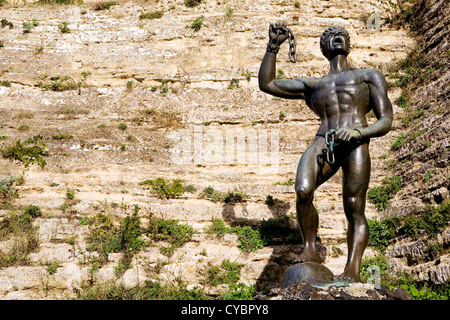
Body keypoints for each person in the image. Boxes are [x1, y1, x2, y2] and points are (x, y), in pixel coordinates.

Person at [258, 23, 393, 282]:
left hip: (356, 142)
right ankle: (310, 247)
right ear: (323, 48)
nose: (337, 38)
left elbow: (386, 119)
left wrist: (359, 133)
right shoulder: (314, 84)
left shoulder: (369, 76)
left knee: (354, 205)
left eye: (342, 36)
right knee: (302, 189)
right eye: (330, 37)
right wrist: (273, 46)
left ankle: (352, 268)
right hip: (325, 139)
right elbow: (268, 83)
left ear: (349, 44)